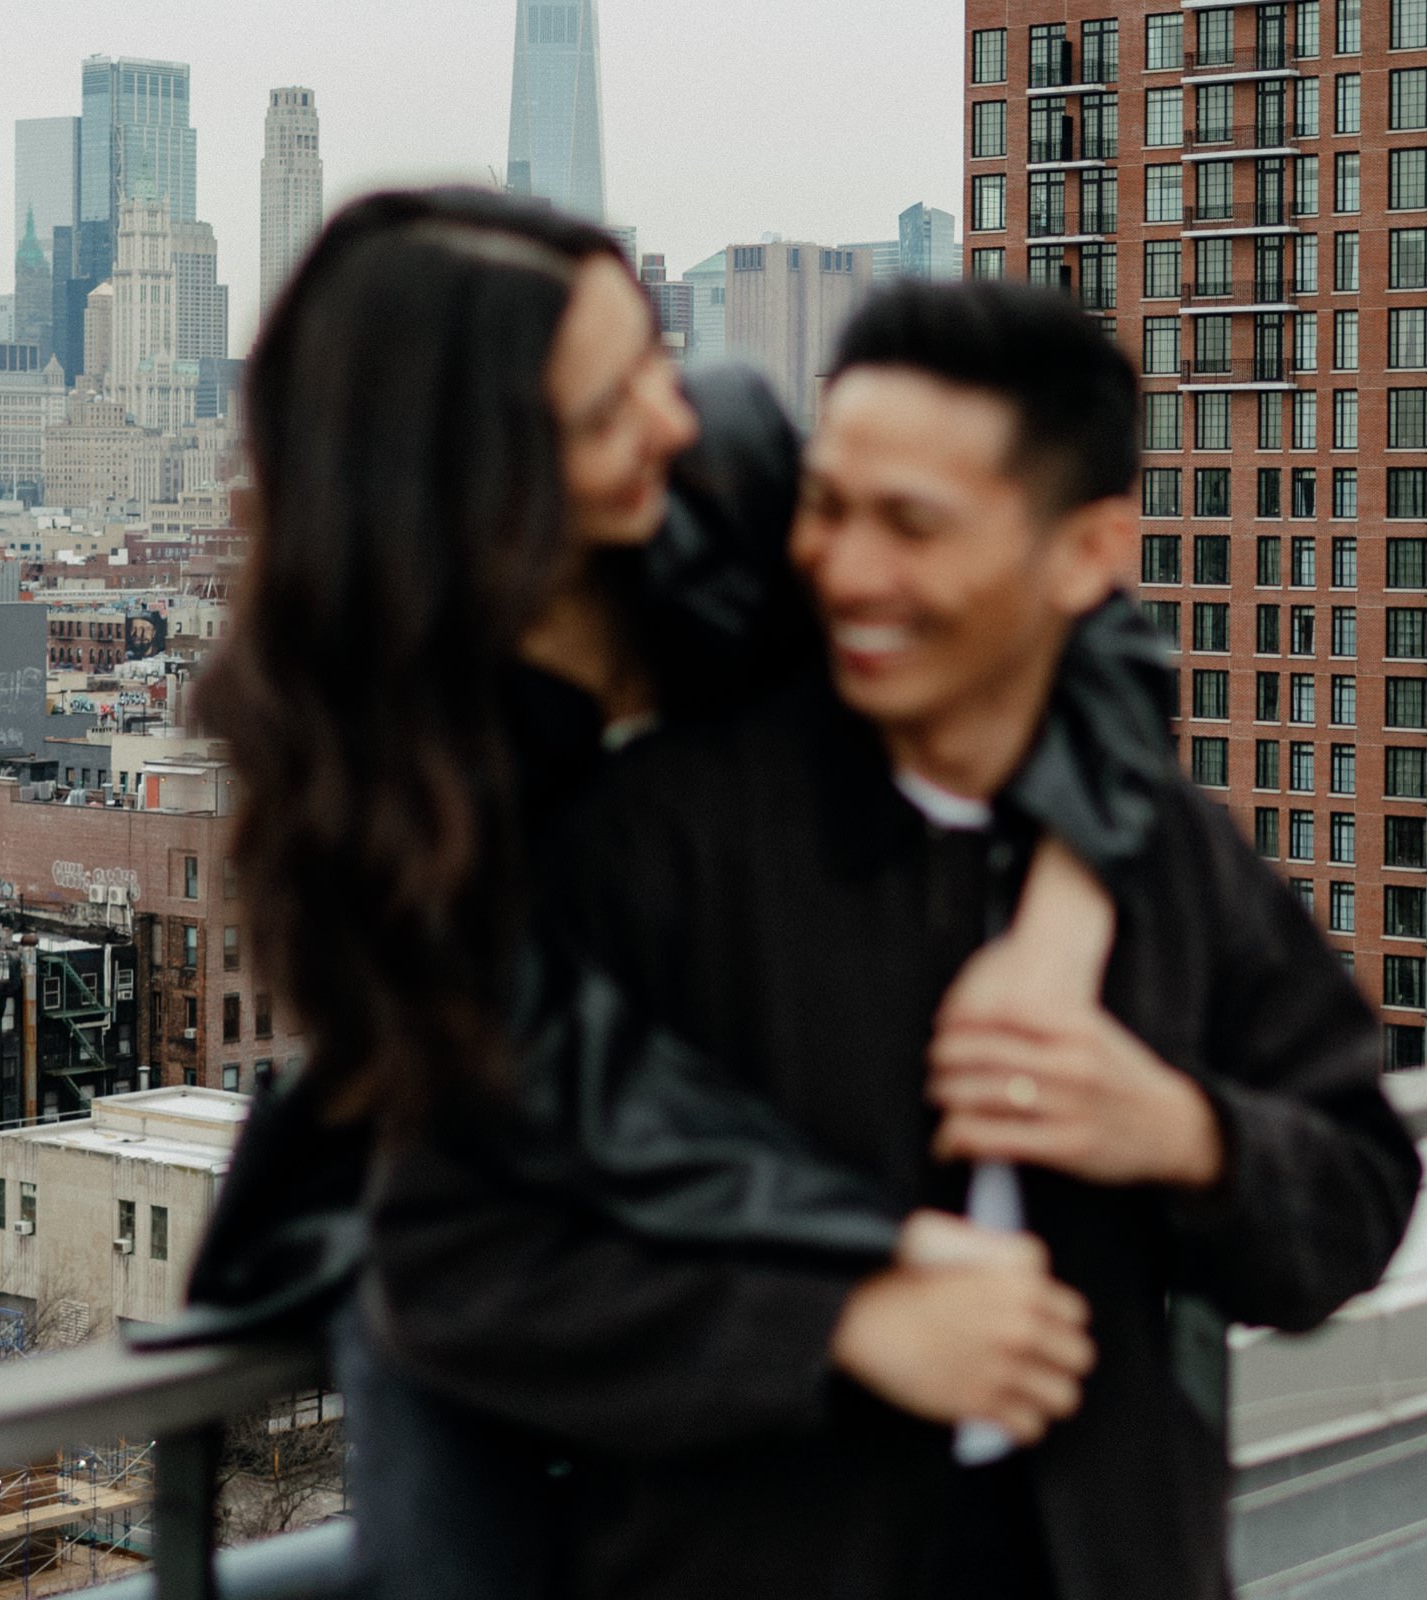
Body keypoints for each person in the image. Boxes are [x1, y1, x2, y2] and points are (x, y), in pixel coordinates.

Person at [362, 279, 1423, 1598]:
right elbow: (448, 1251)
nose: (849, 573)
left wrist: (1184, 1133)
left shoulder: (1154, 851)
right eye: (830, 508)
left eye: (913, 527)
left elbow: (1362, 1190)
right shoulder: (660, 843)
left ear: (1087, 554)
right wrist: (836, 1323)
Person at [183, 192, 1153, 1598]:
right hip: (541, 1195)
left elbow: (1089, 629)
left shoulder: (731, 479)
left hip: (811, 1079)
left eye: (654, 352)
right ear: (471, 479)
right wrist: (867, 1271)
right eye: (606, 409)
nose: (672, 415)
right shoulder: (352, 761)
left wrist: (1060, 925)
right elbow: (581, 1091)